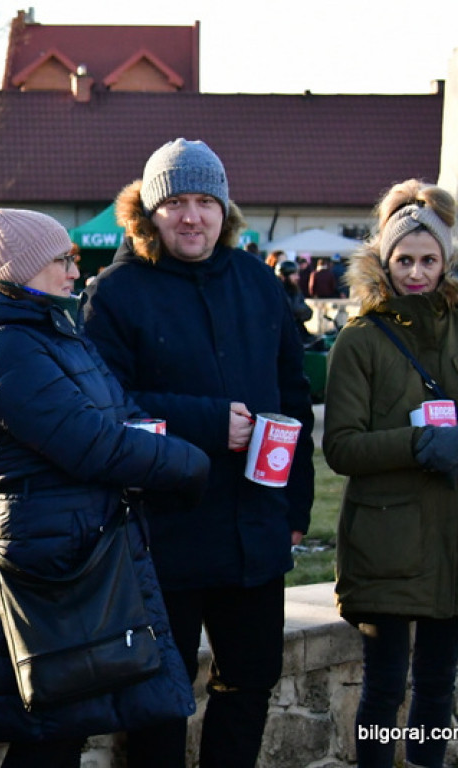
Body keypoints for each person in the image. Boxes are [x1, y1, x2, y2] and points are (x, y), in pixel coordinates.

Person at [83, 138, 314, 768]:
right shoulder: (117, 292)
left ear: (225, 209)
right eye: (177, 202)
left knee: (250, 679)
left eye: (206, 201)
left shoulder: (258, 284)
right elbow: (108, 407)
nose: (192, 216)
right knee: (161, 693)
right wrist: (211, 422)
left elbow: (293, 397)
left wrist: (296, 505)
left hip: (254, 526)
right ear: (148, 213)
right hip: (165, 530)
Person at [0, 207, 210, 767]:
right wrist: (187, 463)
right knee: (49, 733)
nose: (75, 271)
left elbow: (124, 415)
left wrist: (156, 442)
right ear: (22, 268)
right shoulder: (0, 348)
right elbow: (91, 442)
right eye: (61, 260)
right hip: (50, 570)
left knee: (68, 725)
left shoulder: (56, 331)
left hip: (88, 553)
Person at [322, 180, 458, 768]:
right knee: (383, 690)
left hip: (451, 541)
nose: (417, 271)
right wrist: (423, 443)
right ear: (385, 259)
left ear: (447, 261)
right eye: (405, 259)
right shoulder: (359, 340)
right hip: (385, 541)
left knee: (436, 690)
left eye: (429, 259)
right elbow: (343, 448)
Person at [276, 260, 316, 344]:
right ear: (283, 276)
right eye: (294, 274)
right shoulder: (277, 292)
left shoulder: (295, 291)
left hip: (296, 331)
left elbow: (306, 314)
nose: (297, 277)